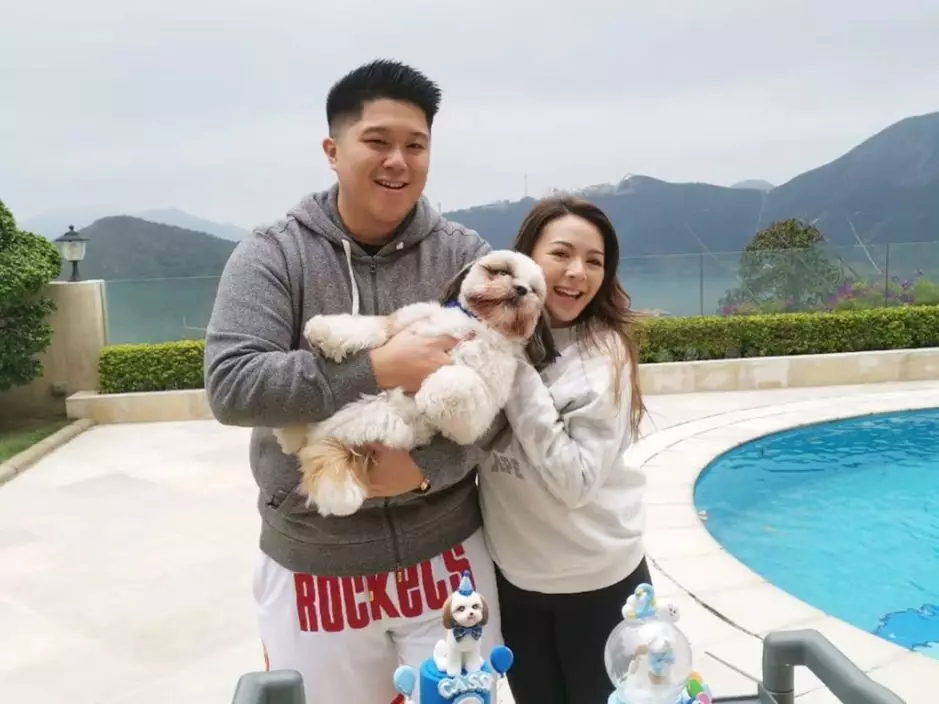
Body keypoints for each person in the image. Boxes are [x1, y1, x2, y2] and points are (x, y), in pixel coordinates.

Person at [203, 59, 502, 704]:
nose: (398, 160)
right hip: (315, 564)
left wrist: (423, 472)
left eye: (416, 145)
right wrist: (379, 367)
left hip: (449, 561)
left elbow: (500, 399)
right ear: (333, 150)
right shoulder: (274, 254)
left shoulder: (463, 256)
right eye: (377, 141)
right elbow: (231, 385)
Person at [478, 196, 650, 704]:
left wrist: (511, 362)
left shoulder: (604, 353)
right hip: (516, 582)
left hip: (600, 584)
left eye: (594, 261)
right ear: (526, 259)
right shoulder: (484, 339)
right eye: (561, 254)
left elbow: (575, 481)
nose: (578, 272)